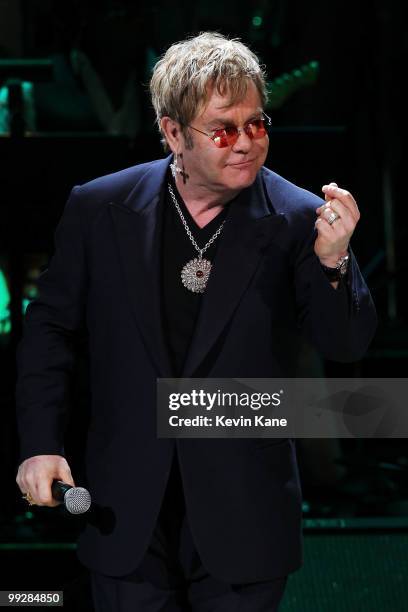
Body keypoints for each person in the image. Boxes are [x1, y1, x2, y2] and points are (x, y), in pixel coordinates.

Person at [15, 32, 377, 611]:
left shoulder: (299, 218)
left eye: (256, 124)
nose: (245, 145)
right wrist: (39, 443)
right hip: (125, 509)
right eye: (223, 128)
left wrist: (336, 265)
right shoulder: (100, 208)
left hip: (245, 518)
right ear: (173, 132)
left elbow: (345, 344)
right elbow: (50, 330)